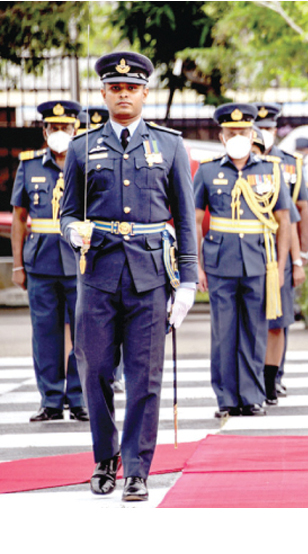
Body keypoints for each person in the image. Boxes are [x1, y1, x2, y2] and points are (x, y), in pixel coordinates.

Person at [60, 51, 198, 502]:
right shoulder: (82, 147)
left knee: (145, 375)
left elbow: (184, 216)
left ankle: (137, 466)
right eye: (115, 88)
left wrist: (190, 281)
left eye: (131, 88)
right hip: (98, 273)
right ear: (103, 93)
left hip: (150, 276)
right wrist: (72, 233)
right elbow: (67, 215)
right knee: (95, 369)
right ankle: (105, 458)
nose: (123, 95)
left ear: (144, 93)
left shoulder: (170, 145)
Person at [194, 104, 293, 419]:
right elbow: (195, 221)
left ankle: (252, 396)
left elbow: (284, 220)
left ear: (254, 135)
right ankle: (226, 397)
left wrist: (280, 266)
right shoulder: (208, 171)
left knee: (254, 331)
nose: (237, 136)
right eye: (231, 132)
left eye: (243, 132)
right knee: (224, 332)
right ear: (222, 136)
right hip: (220, 262)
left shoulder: (270, 169)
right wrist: (195, 265)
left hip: (258, 262)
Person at [11, 100, 86, 422]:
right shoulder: (28, 165)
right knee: (45, 333)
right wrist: (17, 265)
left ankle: (80, 398)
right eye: (53, 128)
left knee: (84, 333)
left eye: (65, 128)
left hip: (80, 263)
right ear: (44, 130)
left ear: (76, 130)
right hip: (40, 262)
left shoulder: (85, 165)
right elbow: (19, 218)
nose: (59, 133)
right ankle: (51, 400)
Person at [252, 103, 308, 404]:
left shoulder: (287, 165)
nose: (264, 134)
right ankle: (254, 379)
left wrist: (299, 260)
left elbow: (297, 214)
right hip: (248, 255)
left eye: (269, 129)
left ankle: (273, 378)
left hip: (280, 256)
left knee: (278, 321)